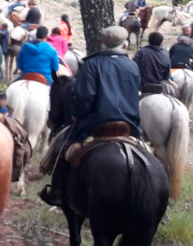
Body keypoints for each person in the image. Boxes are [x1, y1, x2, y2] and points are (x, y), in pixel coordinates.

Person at [39, 26, 140, 207]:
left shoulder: (91, 64)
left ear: (101, 42)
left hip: (94, 124)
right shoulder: (132, 65)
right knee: (146, 154)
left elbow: (85, 97)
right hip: (128, 124)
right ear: (124, 44)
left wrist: (77, 115)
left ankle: (56, 192)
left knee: (63, 147)